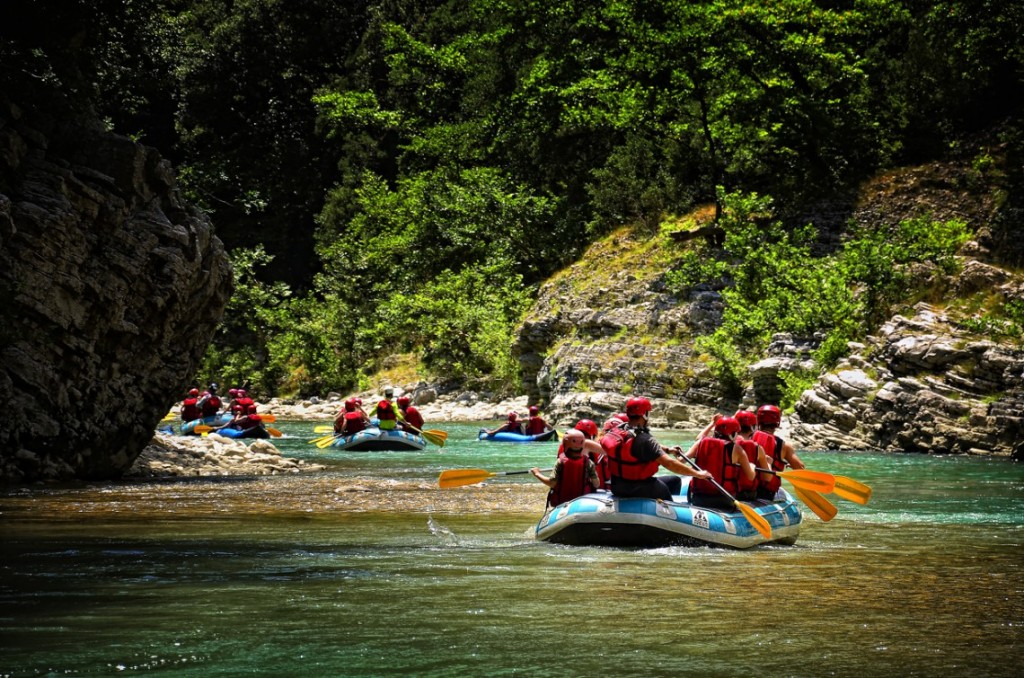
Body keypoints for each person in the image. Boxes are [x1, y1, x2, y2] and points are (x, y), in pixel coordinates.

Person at [603, 396, 711, 500]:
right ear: (645, 415)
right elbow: (669, 463)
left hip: (617, 486)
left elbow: (637, 447)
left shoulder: (619, 430)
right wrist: (698, 474)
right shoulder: (645, 439)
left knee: (674, 480)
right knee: (664, 490)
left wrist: (668, 450)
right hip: (638, 487)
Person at [683, 416, 756, 509]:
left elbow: (681, 460)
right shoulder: (737, 449)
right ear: (733, 434)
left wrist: (677, 452)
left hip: (698, 498)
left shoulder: (700, 443)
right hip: (724, 500)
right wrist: (752, 466)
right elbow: (751, 476)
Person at [531, 429, 601, 507]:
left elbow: (552, 483)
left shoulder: (560, 462)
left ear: (565, 444)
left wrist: (537, 473)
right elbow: (596, 484)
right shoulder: (588, 462)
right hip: (582, 502)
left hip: (562, 503)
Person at [750, 404, 805, 501]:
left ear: (758, 420)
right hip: (767, 494)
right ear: (777, 422)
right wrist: (783, 463)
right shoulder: (784, 446)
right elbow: (800, 469)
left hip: (746, 490)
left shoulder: (747, 439)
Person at [733, 410, 767, 501]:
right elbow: (768, 477)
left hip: (727, 491)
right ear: (753, 428)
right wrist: (769, 462)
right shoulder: (758, 448)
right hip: (746, 495)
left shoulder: (726, 444)